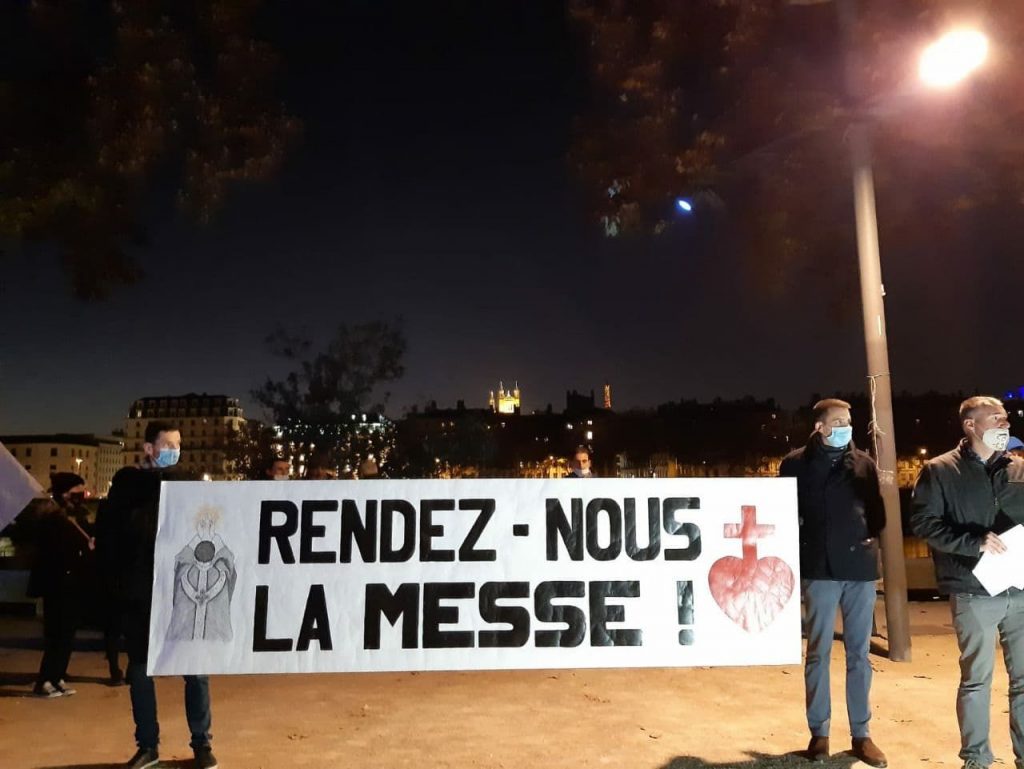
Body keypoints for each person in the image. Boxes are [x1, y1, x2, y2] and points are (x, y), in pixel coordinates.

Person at [911, 396, 1024, 769]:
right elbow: (925, 524)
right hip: (973, 590)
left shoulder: (1019, 469)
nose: (1004, 426)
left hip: (1020, 589)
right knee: (976, 681)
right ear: (970, 426)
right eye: (995, 419)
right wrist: (973, 542)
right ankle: (976, 758)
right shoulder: (940, 470)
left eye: (1006, 419)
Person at [100, 421, 218, 769]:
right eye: (167, 444)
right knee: (140, 671)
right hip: (141, 594)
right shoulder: (129, 482)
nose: (175, 450)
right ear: (148, 448)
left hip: (184, 591)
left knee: (196, 669)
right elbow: (141, 488)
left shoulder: (186, 483)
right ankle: (148, 745)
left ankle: (202, 744)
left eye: (178, 444)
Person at [778, 398, 887, 767]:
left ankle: (862, 734)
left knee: (859, 654)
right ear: (820, 427)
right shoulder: (794, 465)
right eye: (838, 421)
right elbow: (783, 514)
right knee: (818, 652)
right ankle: (819, 734)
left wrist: (867, 548)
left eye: (849, 421)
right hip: (818, 569)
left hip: (859, 569)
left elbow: (878, 514)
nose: (846, 427)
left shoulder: (864, 464)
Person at [27, 472, 93, 698]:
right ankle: (45, 679)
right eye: (77, 492)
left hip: (73, 584)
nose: (81, 497)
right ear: (65, 493)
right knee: (56, 634)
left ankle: (58, 676)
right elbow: (54, 553)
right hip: (57, 585)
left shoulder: (74, 517)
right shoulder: (52, 520)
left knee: (67, 635)